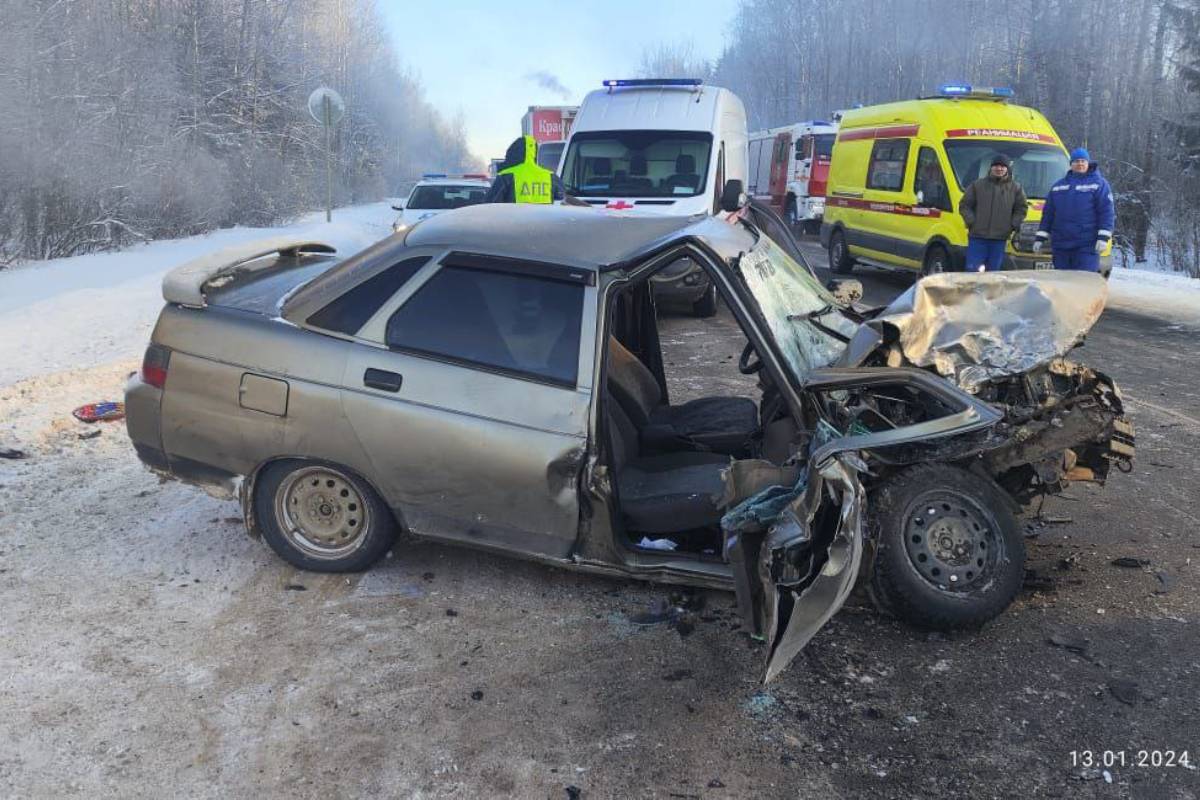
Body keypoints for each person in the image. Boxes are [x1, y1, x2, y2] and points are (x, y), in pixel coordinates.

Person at [1033, 147, 1115, 272]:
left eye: (1083, 161)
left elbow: (1106, 212)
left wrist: (1103, 237)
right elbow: (1048, 214)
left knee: (1084, 283)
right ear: (1071, 164)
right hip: (1061, 245)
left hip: (1086, 246)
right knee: (1062, 284)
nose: (1080, 164)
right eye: (1076, 161)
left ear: (1088, 163)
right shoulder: (1058, 186)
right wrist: (1040, 238)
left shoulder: (1099, 184)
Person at [958, 153, 1029, 272]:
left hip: (999, 240)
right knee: (972, 272)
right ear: (991, 167)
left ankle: (991, 292)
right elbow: (964, 205)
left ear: (1007, 169)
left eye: (1002, 166)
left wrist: (1012, 225)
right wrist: (972, 221)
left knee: (994, 274)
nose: (999, 168)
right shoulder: (977, 185)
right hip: (977, 238)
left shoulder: (1016, 188)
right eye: (996, 165)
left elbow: (1021, 209)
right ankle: (973, 291)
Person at [484, 135, 566, 204]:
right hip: (545, 223)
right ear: (535, 153)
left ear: (512, 154)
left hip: (513, 222)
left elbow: (489, 205)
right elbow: (563, 202)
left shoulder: (505, 176)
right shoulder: (551, 177)